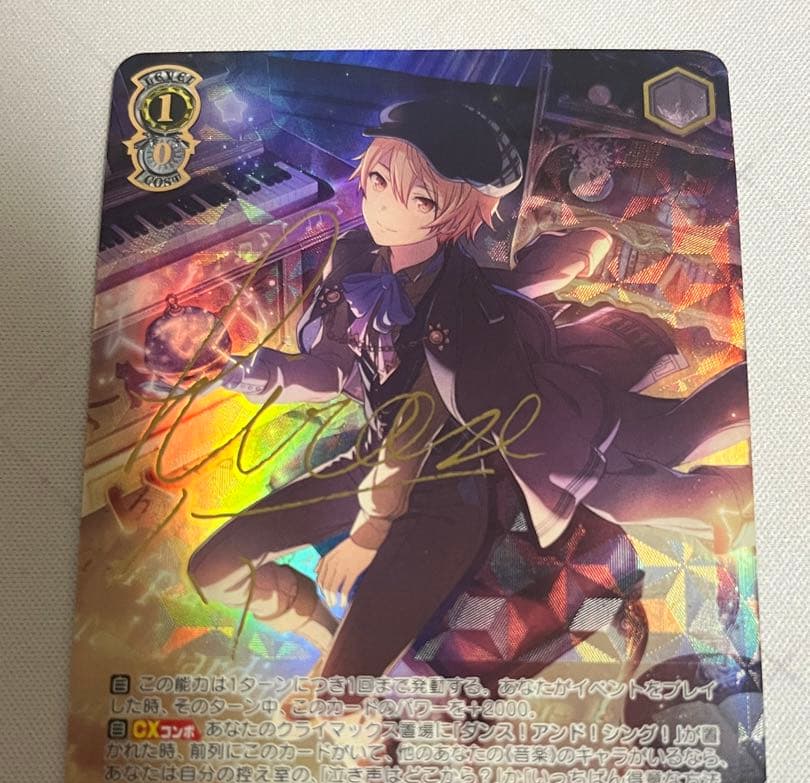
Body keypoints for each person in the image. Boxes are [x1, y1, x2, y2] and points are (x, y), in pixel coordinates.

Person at [188, 98, 751, 678]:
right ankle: (325, 638)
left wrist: (370, 532)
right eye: (378, 180)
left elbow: (427, 428)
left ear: (457, 212)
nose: (385, 205)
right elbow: (335, 367)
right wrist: (251, 372)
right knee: (214, 569)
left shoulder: (469, 314)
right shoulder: (356, 260)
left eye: (421, 199)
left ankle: (737, 464)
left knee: (665, 451)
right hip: (374, 464)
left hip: (452, 495)